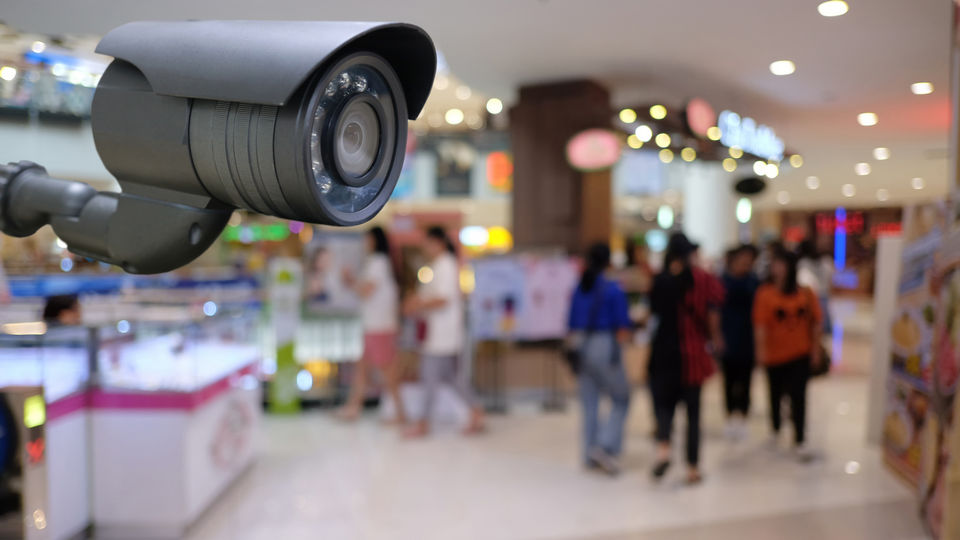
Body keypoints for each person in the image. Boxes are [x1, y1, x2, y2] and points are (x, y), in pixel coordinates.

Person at [648, 233, 724, 484]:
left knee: (664, 407)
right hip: (691, 353)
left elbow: (653, 312)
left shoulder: (660, 280)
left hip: (663, 352)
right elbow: (715, 306)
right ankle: (692, 467)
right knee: (693, 413)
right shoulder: (701, 279)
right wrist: (715, 339)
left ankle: (664, 450)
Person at [402, 226, 484, 437]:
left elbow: (443, 299)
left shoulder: (446, 265)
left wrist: (419, 304)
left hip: (442, 335)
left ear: (437, 242)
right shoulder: (439, 265)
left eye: (427, 243)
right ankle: (476, 412)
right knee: (451, 378)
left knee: (430, 377)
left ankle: (422, 422)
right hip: (440, 334)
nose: (424, 247)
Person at [567, 243, 632, 476]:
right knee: (621, 397)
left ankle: (588, 452)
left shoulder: (579, 287)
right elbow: (622, 326)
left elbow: (571, 324)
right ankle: (605, 446)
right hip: (604, 344)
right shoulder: (613, 289)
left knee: (589, 402)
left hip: (581, 345)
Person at [753, 249, 823, 461]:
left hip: (799, 353)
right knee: (774, 395)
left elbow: (816, 323)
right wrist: (761, 352)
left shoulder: (806, 293)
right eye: (775, 264)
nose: (777, 268)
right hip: (774, 355)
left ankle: (800, 438)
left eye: (781, 264)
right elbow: (760, 326)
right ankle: (775, 430)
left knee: (799, 397)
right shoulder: (765, 293)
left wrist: (816, 350)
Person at [338, 227, 405, 424]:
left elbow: (367, 291)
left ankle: (400, 413)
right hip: (375, 325)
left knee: (387, 370)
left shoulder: (378, 262)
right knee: (362, 369)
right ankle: (353, 408)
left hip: (379, 326)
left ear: (374, 240)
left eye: (367, 239)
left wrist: (351, 282)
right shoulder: (381, 263)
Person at [720, 244, 760, 440]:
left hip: (748, 338)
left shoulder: (754, 282)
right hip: (728, 337)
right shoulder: (723, 281)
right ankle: (729, 416)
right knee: (728, 381)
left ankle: (743, 416)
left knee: (745, 381)